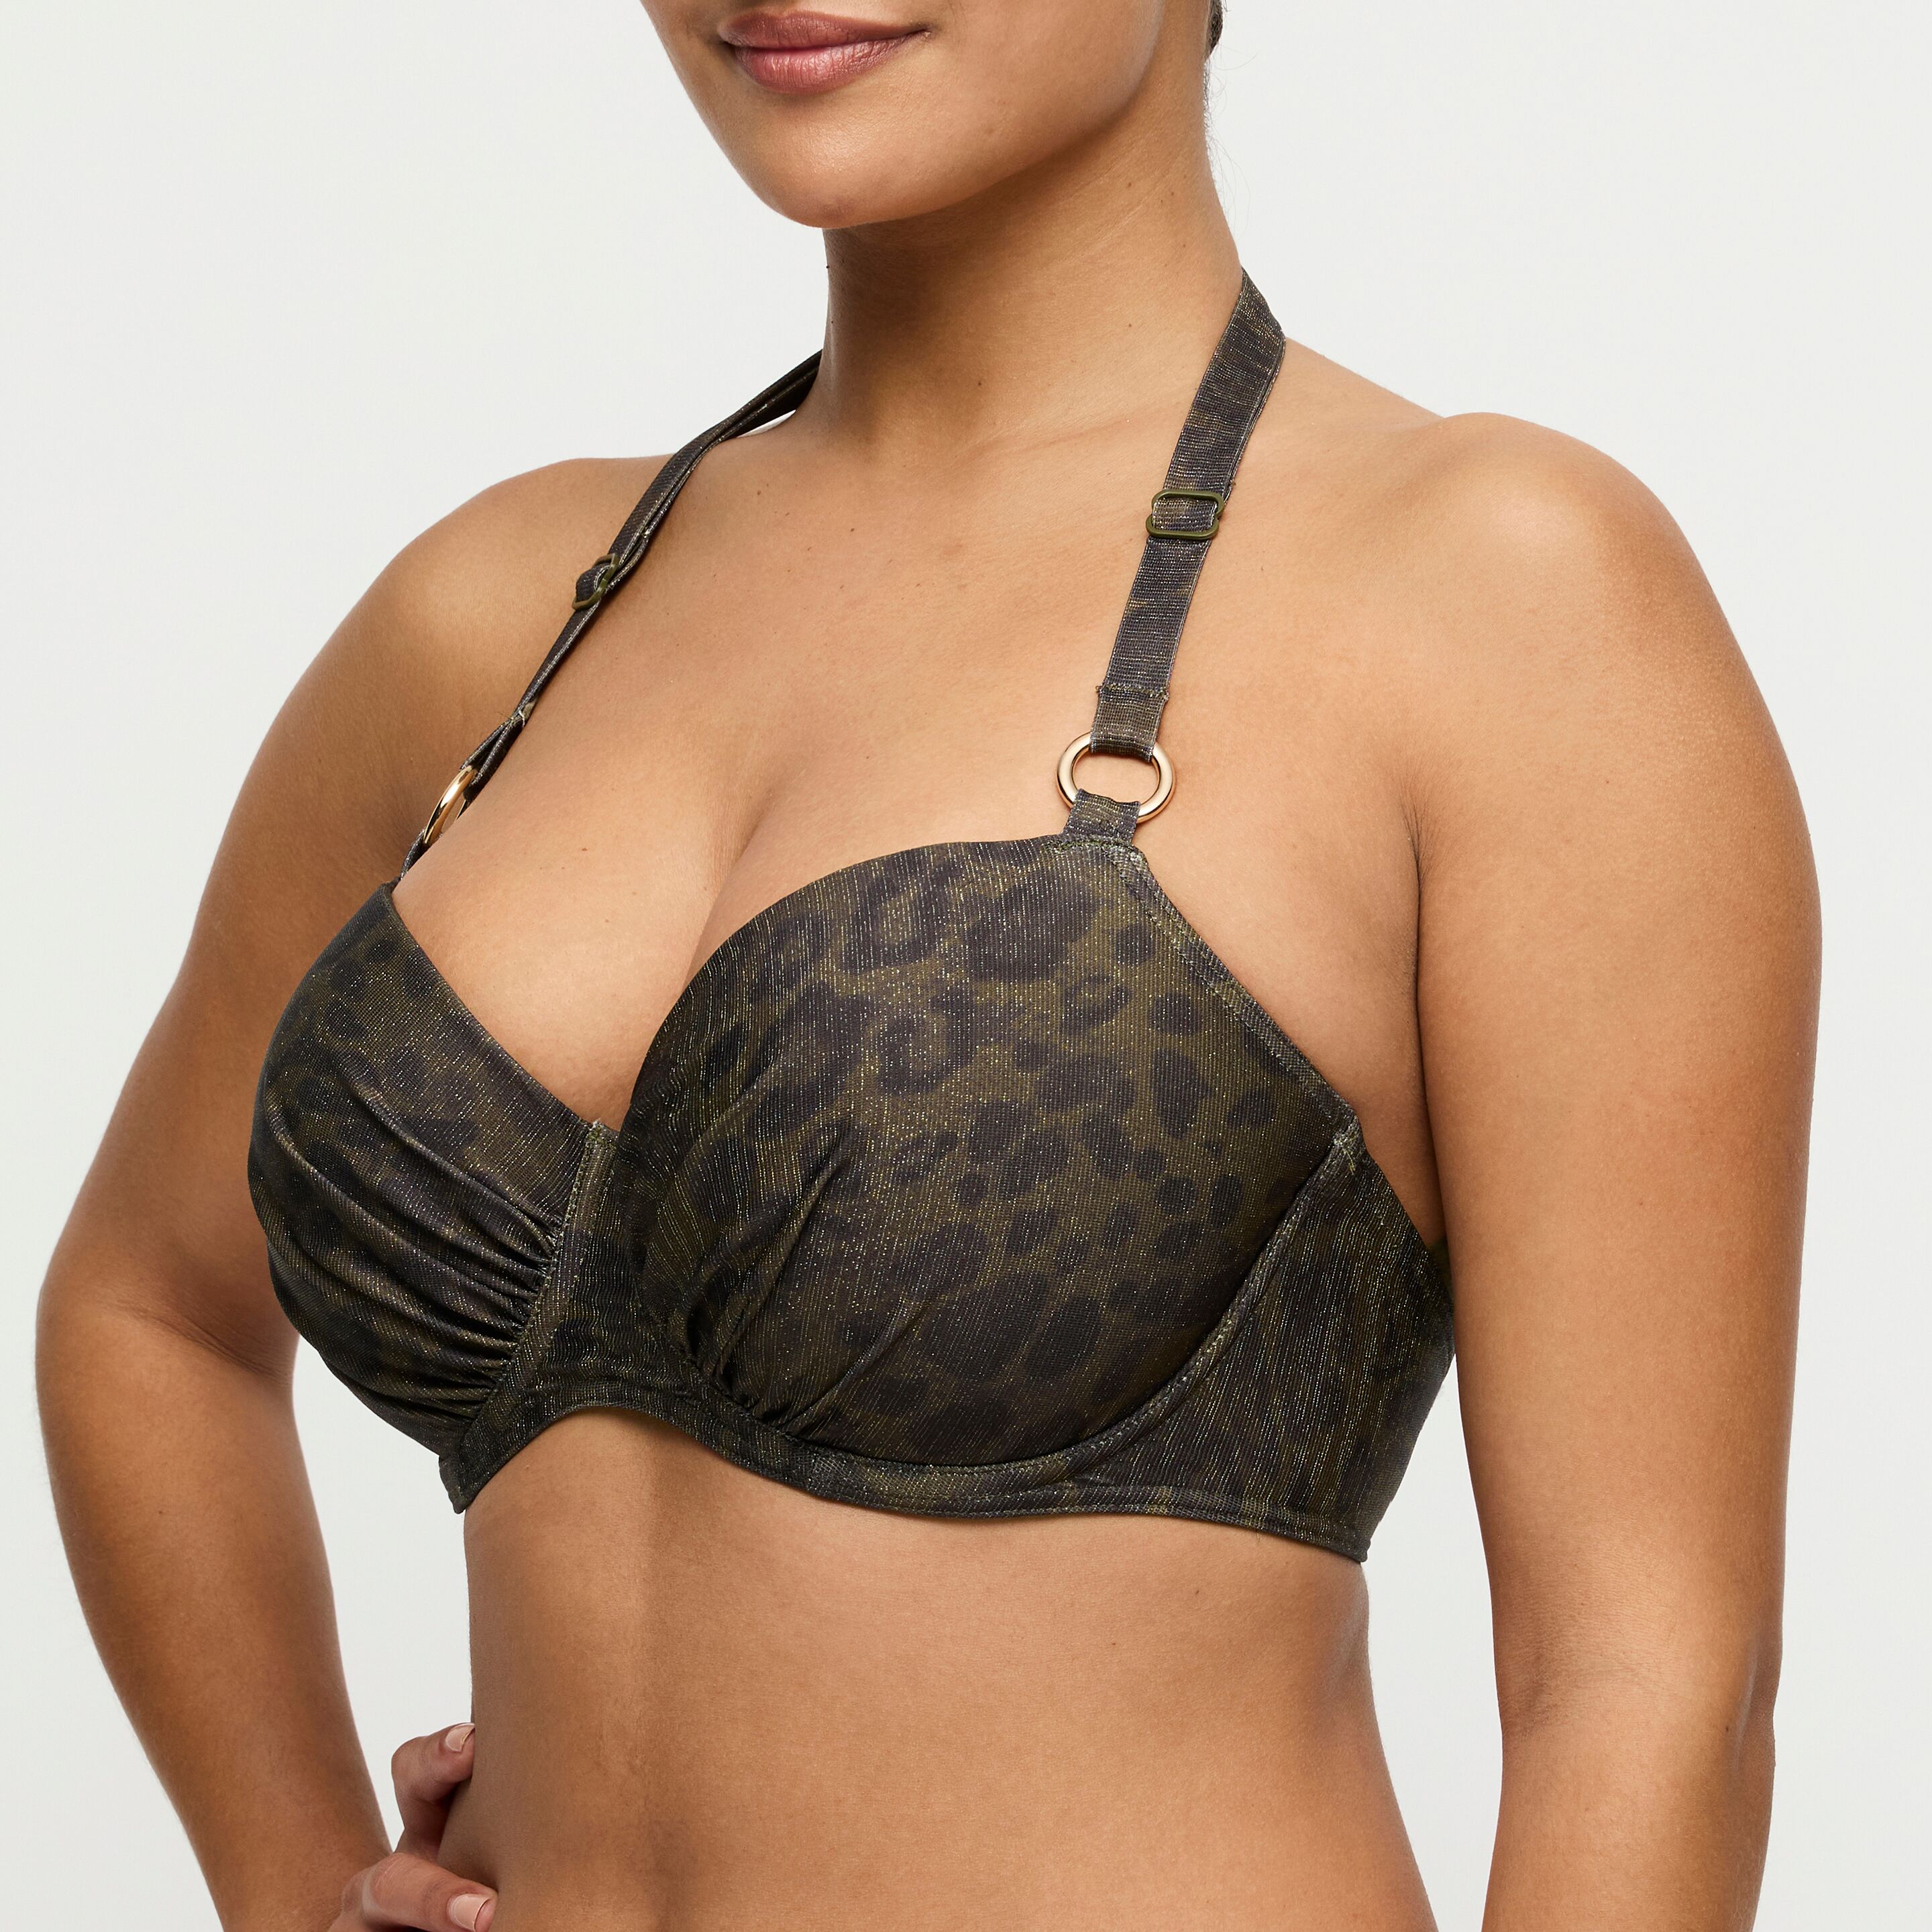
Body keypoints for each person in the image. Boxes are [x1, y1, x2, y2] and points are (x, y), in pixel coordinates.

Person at [38, 3, 1819, 1927]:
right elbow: (148, 1312)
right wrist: (291, 1888)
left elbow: (1648, 1687)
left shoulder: (1499, 596)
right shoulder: (496, 621)